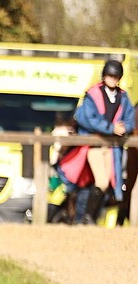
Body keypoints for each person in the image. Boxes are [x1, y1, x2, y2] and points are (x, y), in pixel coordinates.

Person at [57, 59, 135, 225]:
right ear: (104, 76)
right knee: (101, 181)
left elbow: (130, 118)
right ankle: (86, 217)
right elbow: (87, 119)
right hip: (93, 144)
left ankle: (88, 217)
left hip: (112, 147)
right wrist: (110, 128)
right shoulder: (93, 94)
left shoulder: (122, 96)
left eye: (115, 76)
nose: (112, 79)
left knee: (109, 184)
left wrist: (124, 128)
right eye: (109, 75)